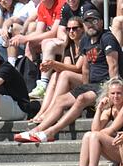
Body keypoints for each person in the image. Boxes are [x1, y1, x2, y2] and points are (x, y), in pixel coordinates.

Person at [16, 9, 122, 143]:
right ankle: (37, 130)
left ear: (101, 22)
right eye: (87, 22)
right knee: (61, 100)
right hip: (92, 84)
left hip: (106, 84)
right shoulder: (85, 40)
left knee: (81, 99)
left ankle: (50, 132)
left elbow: (113, 66)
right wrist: (84, 86)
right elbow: (85, 69)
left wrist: (111, 93)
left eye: (94, 21)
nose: (90, 25)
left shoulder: (107, 38)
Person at [67, 77, 123, 166]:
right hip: (118, 149)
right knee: (88, 135)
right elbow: (94, 129)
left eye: (119, 93)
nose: (116, 96)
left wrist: (96, 135)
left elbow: (111, 130)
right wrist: (99, 109)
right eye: (113, 93)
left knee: (94, 136)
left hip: (121, 150)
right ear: (108, 94)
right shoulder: (110, 109)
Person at [30, 16, 86, 124]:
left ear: (82, 29)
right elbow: (67, 66)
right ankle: (41, 112)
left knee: (64, 75)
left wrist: (54, 63)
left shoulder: (86, 43)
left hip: (86, 80)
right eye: (68, 29)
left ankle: (50, 111)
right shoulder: (69, 46)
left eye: (74, 28)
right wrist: (51, 66)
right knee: (55, 75)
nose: (71, 31)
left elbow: (78, 68)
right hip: (75, 79)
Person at [10, 0, 66, 99]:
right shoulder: (41, 6)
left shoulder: (61, 4)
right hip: (52, 38)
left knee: (46, 44)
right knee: (30, 45)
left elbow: (53, 32)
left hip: (64, 39)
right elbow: (39, 32)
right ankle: (30, 83)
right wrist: (21, 38)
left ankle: (43, 85)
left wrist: (25, 38)